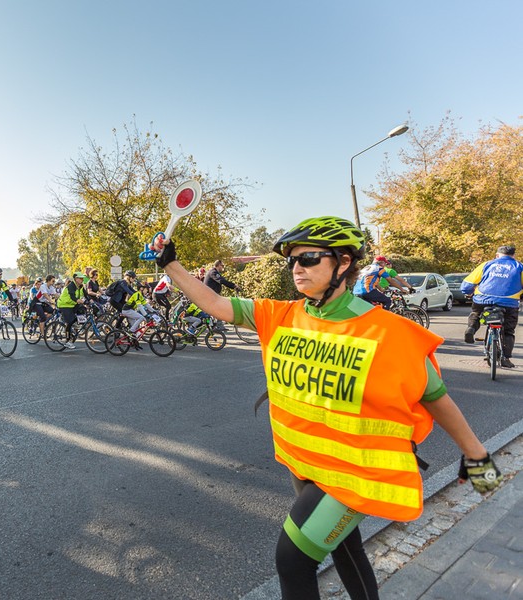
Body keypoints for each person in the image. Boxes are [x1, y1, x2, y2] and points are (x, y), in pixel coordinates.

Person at [151, 216, 502, 600]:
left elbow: (435, 397)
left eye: (309, 259)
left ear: (344, 263)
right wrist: (171, 264)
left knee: (292, 558)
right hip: (304, 464)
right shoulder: (281, 316)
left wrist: (478, 458)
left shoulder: (388, 332)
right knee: (345, 548)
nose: (297, 268)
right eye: (292, 261)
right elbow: (216, 303)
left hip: (354, 473)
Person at [461, 244, 523, 368]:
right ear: (513, 256)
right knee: (509, 330)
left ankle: (471, 329)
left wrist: (468, 292)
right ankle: (506, 358)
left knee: (476, 314)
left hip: (483, 299)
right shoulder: (519, 267)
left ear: (497, 255)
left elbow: (467, 284)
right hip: (509, 302)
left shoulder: (486, 265)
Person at [57, 272, 87, 349]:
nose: (82, 280)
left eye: (82, 278)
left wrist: (91, 301)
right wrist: (78, 300)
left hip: (72, 304)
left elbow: (86, 295)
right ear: (76, 279)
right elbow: (72, 296)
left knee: (83, 310)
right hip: (64, 305)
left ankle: (75, 324)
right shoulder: (71, 286)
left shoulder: (80, 286)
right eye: (80, 278)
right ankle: (67, 341)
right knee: (69, 321)